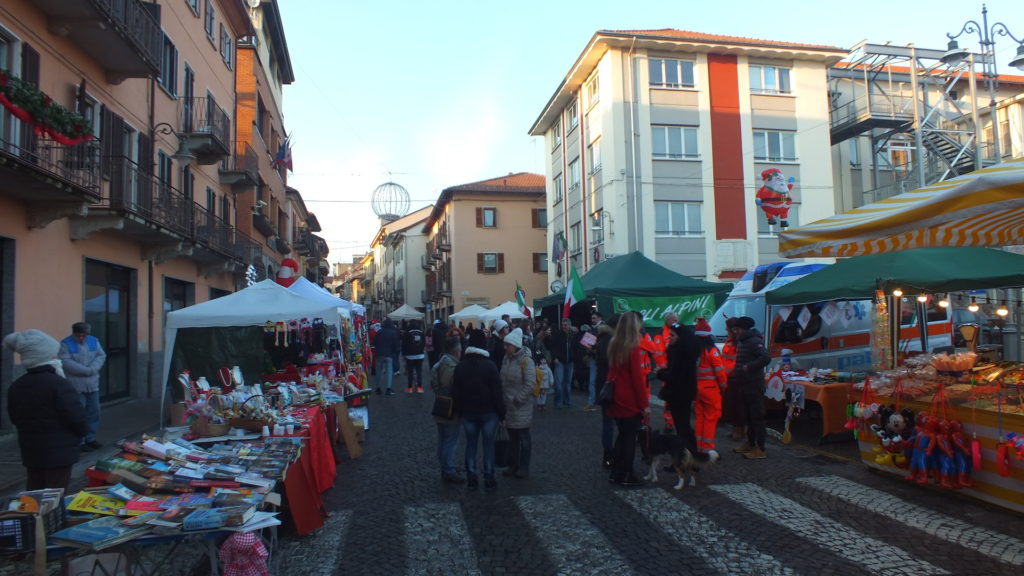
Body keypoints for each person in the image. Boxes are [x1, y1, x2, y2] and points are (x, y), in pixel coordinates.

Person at [6, 329, 88, 491]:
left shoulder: (17, 385)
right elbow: (76, 417)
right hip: (59, 451)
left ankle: (33, 516)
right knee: (54, 495)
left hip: (31, 449)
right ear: (47, 356)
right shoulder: (58, 383)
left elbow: (14, 417)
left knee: (34, 491)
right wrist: (82, 432)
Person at [452, 329, 505, 491]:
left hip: (468, 411)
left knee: (471, 445)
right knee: (488, 446)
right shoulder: (490, 365)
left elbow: (456, 392)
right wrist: (502, 414)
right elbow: (497, 392)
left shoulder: (460, 366)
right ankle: (489, 477)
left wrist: (458, 410)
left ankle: (472, 476)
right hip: (489, 412)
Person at [606, 312, 650, 486]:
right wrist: (644, 405)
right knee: (630, 438)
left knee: (622, 436)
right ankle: (627, 474)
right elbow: (637, 380)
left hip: (615, 396)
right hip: (629, 398)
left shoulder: (614, 344)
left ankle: (616, 472)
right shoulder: (633, 347)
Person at [59, 322, 106, 451]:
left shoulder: (94, 341)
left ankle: (90, 438)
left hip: (92, 384)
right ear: (74, 333)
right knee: (78, 414)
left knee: (94, 412)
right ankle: (79, 441)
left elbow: (101, 356)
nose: (81, 338)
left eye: (83, 335)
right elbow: (65, 361)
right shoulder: (65, 343)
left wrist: (93, 369)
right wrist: (86, 370)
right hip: (76, 385)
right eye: (78, 335)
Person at [657, 322, 700, 455]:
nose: (669, 337)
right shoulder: (680, 350)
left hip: (679, 394)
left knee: (683, 427)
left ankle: (687, 455)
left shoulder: (680, 353)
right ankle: (688, 454)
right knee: (682, 426)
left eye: (672, 335)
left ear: (680, 337)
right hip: (681, 393)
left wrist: (660, 372)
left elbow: (674, 375)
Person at [731, 316, 771, 459]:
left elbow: (765, 357)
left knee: (757, 417)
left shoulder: (754, 341)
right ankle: (750, 443)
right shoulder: (743, 341)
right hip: (744, 383)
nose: (735, 332)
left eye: (736, 329)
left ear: (742, 329)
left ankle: (760, 448)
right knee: (748, 416)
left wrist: (749, 367)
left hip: (754, 384)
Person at [499, 328, 535, 479]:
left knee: (523, 437)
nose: (505, 347)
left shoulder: (526, 361)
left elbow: (530, 384)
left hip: (520, 406)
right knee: (512, 437)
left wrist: (518, 399)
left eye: (507, 345)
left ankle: (524, 466)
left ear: (515, 345)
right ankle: (513, 464)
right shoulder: (506, 359)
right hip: (508, 405)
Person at [431, 337, 463, 484]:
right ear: (457, 351)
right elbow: (452, 387)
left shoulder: (439, 363)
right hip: (450, 408)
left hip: (439, 405)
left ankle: (446, 466)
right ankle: (448, 469)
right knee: (450, 440)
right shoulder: (452, 367)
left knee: (443, 439)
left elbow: (435, 384)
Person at [693, 318, 727, 454]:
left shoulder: (693, 350)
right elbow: (719, 371)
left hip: (697, 388)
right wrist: (724, 386)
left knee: (700, 417)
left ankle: (698, 446)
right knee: (711, 418)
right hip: (710, 389)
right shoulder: (711, 350)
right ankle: (707, 449)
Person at [595, 314, 619, 469]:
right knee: (612, 422)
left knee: (607, 422)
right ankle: (611, 454)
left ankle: (608, 453)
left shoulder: (602, 338)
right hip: (610, 386)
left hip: (603, 384)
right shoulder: (611, 341)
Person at [720, 317, 745, 441]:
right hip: (728, 377)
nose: (725, 329)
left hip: (735, 377)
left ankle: (739, 430)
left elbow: (737, 361)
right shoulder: (730, 341)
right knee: (730, 406)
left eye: (727, 327)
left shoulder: (739, 343)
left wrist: (728, 371)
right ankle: (735, 428)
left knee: (737, 406)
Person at [549, 317, 577, 408]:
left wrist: (574, 357)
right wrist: (555, 357)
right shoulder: (558, 334)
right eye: (563, 325)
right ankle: (558, 402)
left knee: (568, 383)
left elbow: (575, 346)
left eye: (565, 325)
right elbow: (552, 347)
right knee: (559, 382)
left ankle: (567, 400)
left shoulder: (573, 334)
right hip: (559, 361)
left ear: (569, 325)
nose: (564, 326)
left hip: (570, 361)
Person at [373, 319, 401, 395]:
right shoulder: (393, 333)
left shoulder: (379, 332)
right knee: (389, 371)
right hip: (389, 354)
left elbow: (374, 342)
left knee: (379, 372)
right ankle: (388, 389)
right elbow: (395, 344)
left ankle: (378, 388)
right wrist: (394, 351)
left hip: (379, 354)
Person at [402, 320, 426, 393]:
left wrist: (404, 354)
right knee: (419, 371)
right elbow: (424, 343)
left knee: (410, 372)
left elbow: (404, 344)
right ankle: (419, 388)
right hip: (420, 355)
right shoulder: (421, 332)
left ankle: (410, 388)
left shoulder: (407, 332)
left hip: (410, 355)